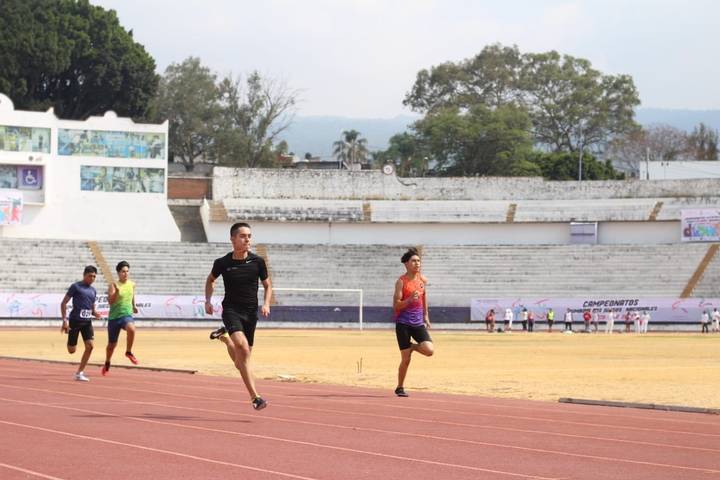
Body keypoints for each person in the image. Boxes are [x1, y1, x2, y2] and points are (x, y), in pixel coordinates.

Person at [206, 222, 272, 410]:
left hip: (250, 312)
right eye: (243, 236)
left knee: (242, 360)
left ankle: (225, 339)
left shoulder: (258, 262)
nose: (247, 239)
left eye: (249, 236)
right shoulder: (222, 263)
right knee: (242, 348)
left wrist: (266, 303)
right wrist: (208, 300)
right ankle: (255, 397)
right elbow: (210, 280)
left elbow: (268, 285)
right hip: (231, 310)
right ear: (233, 239)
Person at [393, 247, 434, 397]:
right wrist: (409, 300)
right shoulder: (401, 282)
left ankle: (411, 347)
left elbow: (424, 297)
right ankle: (400, 387)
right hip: (403, 324)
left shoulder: (422, 280)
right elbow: (396, 305)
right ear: (406, 264)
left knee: (429, 350)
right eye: (414, 261)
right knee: (406, 359)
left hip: (418, 323)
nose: (417, 264)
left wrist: (426, 315)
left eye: (419, 261)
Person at [60, 266, 101, 381]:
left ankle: (79, 372)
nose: (92, 278)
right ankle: (70, 340)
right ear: (84, 275)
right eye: (90, 276)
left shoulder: (93, 290)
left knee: (90, 346)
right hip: (75, 321)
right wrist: (65, 321)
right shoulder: (76, 287)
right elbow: (63, 303)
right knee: (71, 350)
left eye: (94, 276)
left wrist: (95, 313)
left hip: (87, 322)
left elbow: (92, 306)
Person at [102, 261, 139, 376]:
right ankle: (107, 362)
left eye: (127, 271)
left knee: (132, 329)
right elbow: (111, 302)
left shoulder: (132, 284)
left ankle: (128, 352)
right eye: (123, 271)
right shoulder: (113, 285)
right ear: (118, 273)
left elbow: (132, 294)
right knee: (111, 346)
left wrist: (134, 305)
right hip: (114, 318)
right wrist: (116, 293)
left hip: (126, 315)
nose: (125, 273)